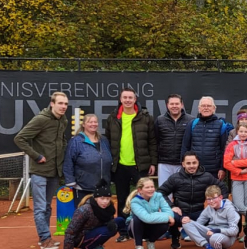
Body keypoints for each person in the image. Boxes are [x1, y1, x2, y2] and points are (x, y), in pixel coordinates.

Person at [14, 91, 71, 249]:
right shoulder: (40, 119)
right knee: (40, 207)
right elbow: (19, 138)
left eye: (65, 104)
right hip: (39, 171)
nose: (63, 107)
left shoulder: (63, 120)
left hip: (54, 172)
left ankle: (44, 238)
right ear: (52, 104)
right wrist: (36, 156)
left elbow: (61, 140)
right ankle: (45, 239)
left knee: (47, 206)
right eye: (60, 103)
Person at [104, 88, 157, 240]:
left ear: (135, 99)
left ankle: (146, 230)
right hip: (120, 166)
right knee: (122, 198)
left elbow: (152, 142)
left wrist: (153, 162)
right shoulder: (113, 117)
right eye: (125, 97)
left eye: (130, 97)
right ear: (121, 99)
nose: (127, 100)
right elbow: (107, 141)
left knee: (145, 196)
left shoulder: (146, 117)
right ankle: (124, 232)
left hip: (140, 166)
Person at [158, 152, 225, 249]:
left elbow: (222, 186)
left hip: (199, 212)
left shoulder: (207, 176)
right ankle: (175, 236)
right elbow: (160, 192)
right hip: (180, 212)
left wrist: (222, 204)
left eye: (194, 163)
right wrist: (172, 206)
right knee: (169, 216)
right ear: (183, 164)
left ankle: (204, 237)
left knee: (213, 216)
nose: (191, 166)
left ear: (198, 163)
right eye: (188, 163)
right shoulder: (175, 178)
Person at [58, 184, 124, 249]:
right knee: (105, 231)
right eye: (102, 198)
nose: (105, 201)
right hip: (80, 237)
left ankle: (96, 246)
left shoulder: (109, 207)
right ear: (95, 198)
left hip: (95, 230)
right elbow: (70, 230)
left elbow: (110, 221)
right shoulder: (84, 210)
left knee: (119, 221)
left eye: (107, 199)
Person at [63, 113, 112, 203]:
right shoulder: (76, 141)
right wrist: (71, 181)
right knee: (83, 213)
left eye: (95, 122)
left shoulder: (104, 140)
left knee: (103, 213)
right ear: (84, 124)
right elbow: (68, 161)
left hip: (103, 186)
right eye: (90, 122)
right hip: (83, 187)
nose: (93, 124)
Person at [181, 96, 233, 179]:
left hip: (214, 171)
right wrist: (184, 165)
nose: (206, 108)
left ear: (214, 108)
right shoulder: (192, 124)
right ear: (199, 108)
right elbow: (185, 147)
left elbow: (225, 150)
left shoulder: (221, 125)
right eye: (203, 106)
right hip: (194, 169)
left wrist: (222, 168)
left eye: (208, 106)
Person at [183, 185, 240, 249]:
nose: (211, 201)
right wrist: (190, 223)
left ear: (220, 197)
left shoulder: (230, 209)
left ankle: (216, 246)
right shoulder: (209, 208)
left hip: (226, 236)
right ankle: (207, 246)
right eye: (209, 199)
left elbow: (234, 231)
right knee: (186, 223)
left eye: (214, 198)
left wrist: (217, 230)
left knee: (214, 239)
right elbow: (199, 223)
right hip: (210, 231)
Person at [126, 177, 174, 249]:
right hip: (136, 229)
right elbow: (147, 218)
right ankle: (139, 247)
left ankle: (151, 242)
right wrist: (165, 216)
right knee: (136, 219)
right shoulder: (135, 202)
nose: (151, 189)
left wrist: (167, 216)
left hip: (151, 226)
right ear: (140, 190)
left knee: (165, 224)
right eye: (147, 187)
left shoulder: (158, 196)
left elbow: (169, 212)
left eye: (152, 187)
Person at [224, 120, 247, 220]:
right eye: (241, 131)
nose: (243, 134)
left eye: (245, 132)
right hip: (236, 177)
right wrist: (239, 171)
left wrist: (234, 162)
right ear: (237, 132)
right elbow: (226, 163)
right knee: (238, 206)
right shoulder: (231, 145)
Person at [154, 94, 192, 187]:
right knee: (164, 194)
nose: (174, 106)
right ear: (167, 105)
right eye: (172, 104)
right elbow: (155, 141)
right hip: (164, 164)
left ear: (181, 105)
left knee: (182, 193)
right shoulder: (160, 120)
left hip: (182, 164)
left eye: (177, 104)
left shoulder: (191, 120)